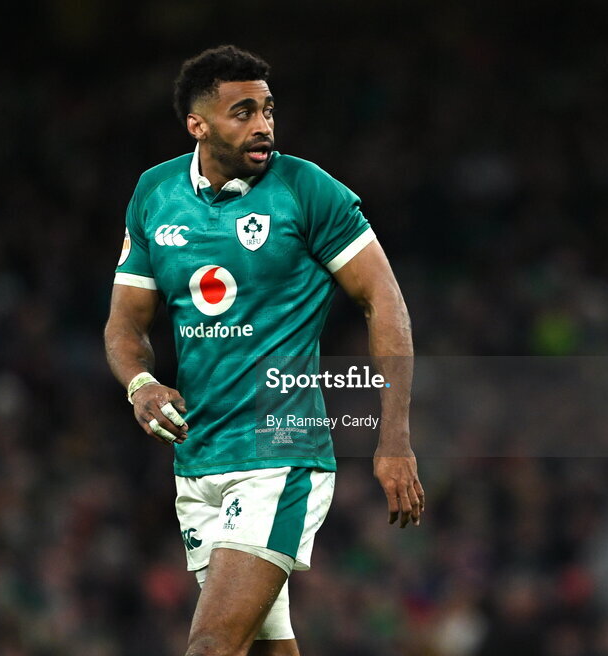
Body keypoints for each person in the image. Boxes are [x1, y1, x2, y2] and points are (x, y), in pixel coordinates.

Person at [104, 45, 424, 656]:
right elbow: (125, 324)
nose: (263, 125)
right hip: (198, 457)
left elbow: (384, 302)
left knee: (211, 645)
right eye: (243, 112)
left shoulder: (307, 190)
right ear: (197, 125)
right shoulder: (154, 193)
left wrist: (394, 439)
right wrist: (140, 384)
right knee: (268, 646)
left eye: (268, 110)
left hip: (278, 452)